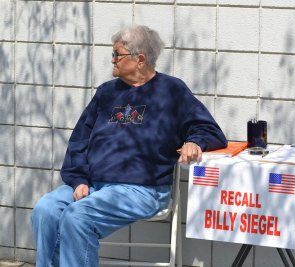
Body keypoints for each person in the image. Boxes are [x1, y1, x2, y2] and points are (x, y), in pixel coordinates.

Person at [31, 25, 227, 267]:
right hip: (93, 185)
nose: (112, 59)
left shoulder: (172, 91)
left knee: (78, 217)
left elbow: (210, 130)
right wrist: (79, 179)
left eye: (117, 54)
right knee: (46, 210)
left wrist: (194, 142)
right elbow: (80, 140)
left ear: (140, 59)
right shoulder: (106, 93)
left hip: (142, 190)